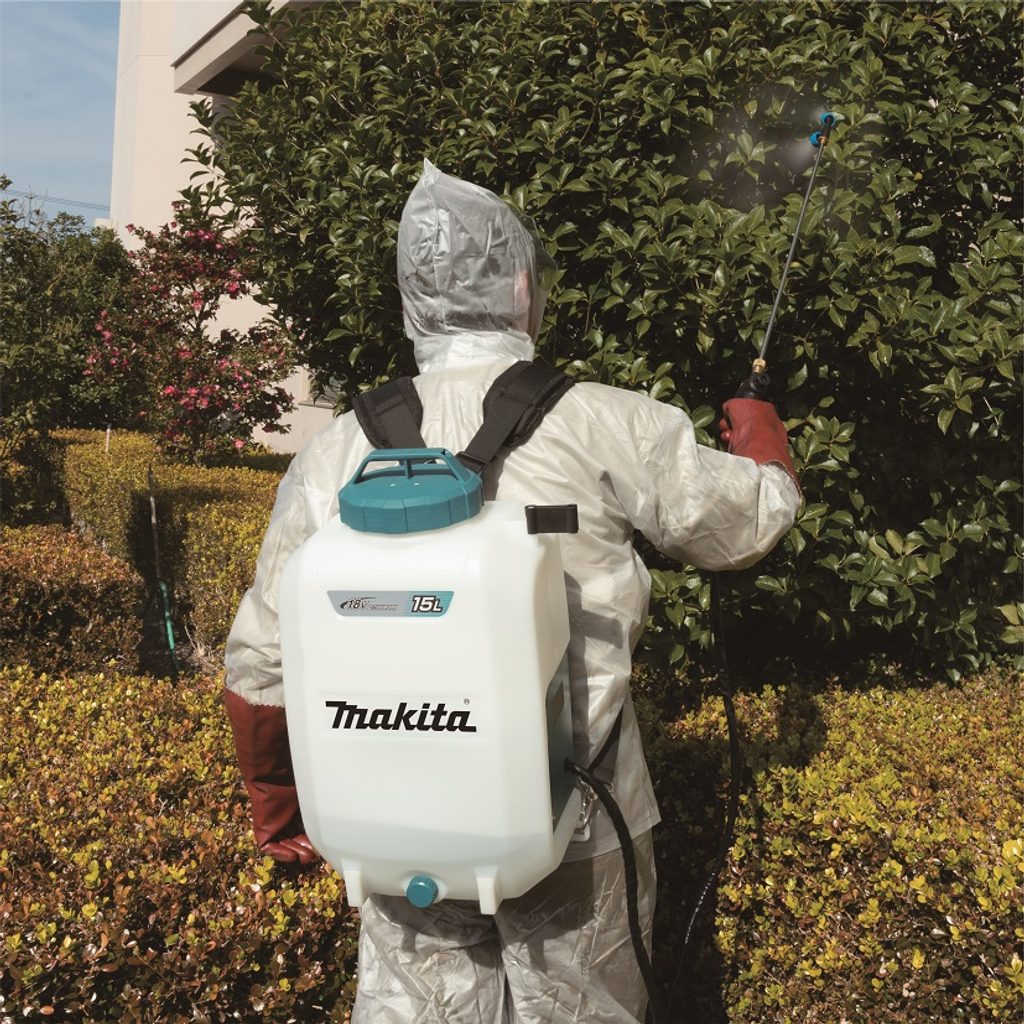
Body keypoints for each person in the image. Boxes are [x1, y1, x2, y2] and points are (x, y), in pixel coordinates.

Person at [223, 159, 801, 1023]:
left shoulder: (336, 450)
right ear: (524, 285)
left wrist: (279, 810)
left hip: (396, 827)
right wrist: (763, 439)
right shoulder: (606, 421)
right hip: (579, 823)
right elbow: (747, 523)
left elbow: (259, 665)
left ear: (410, 295)